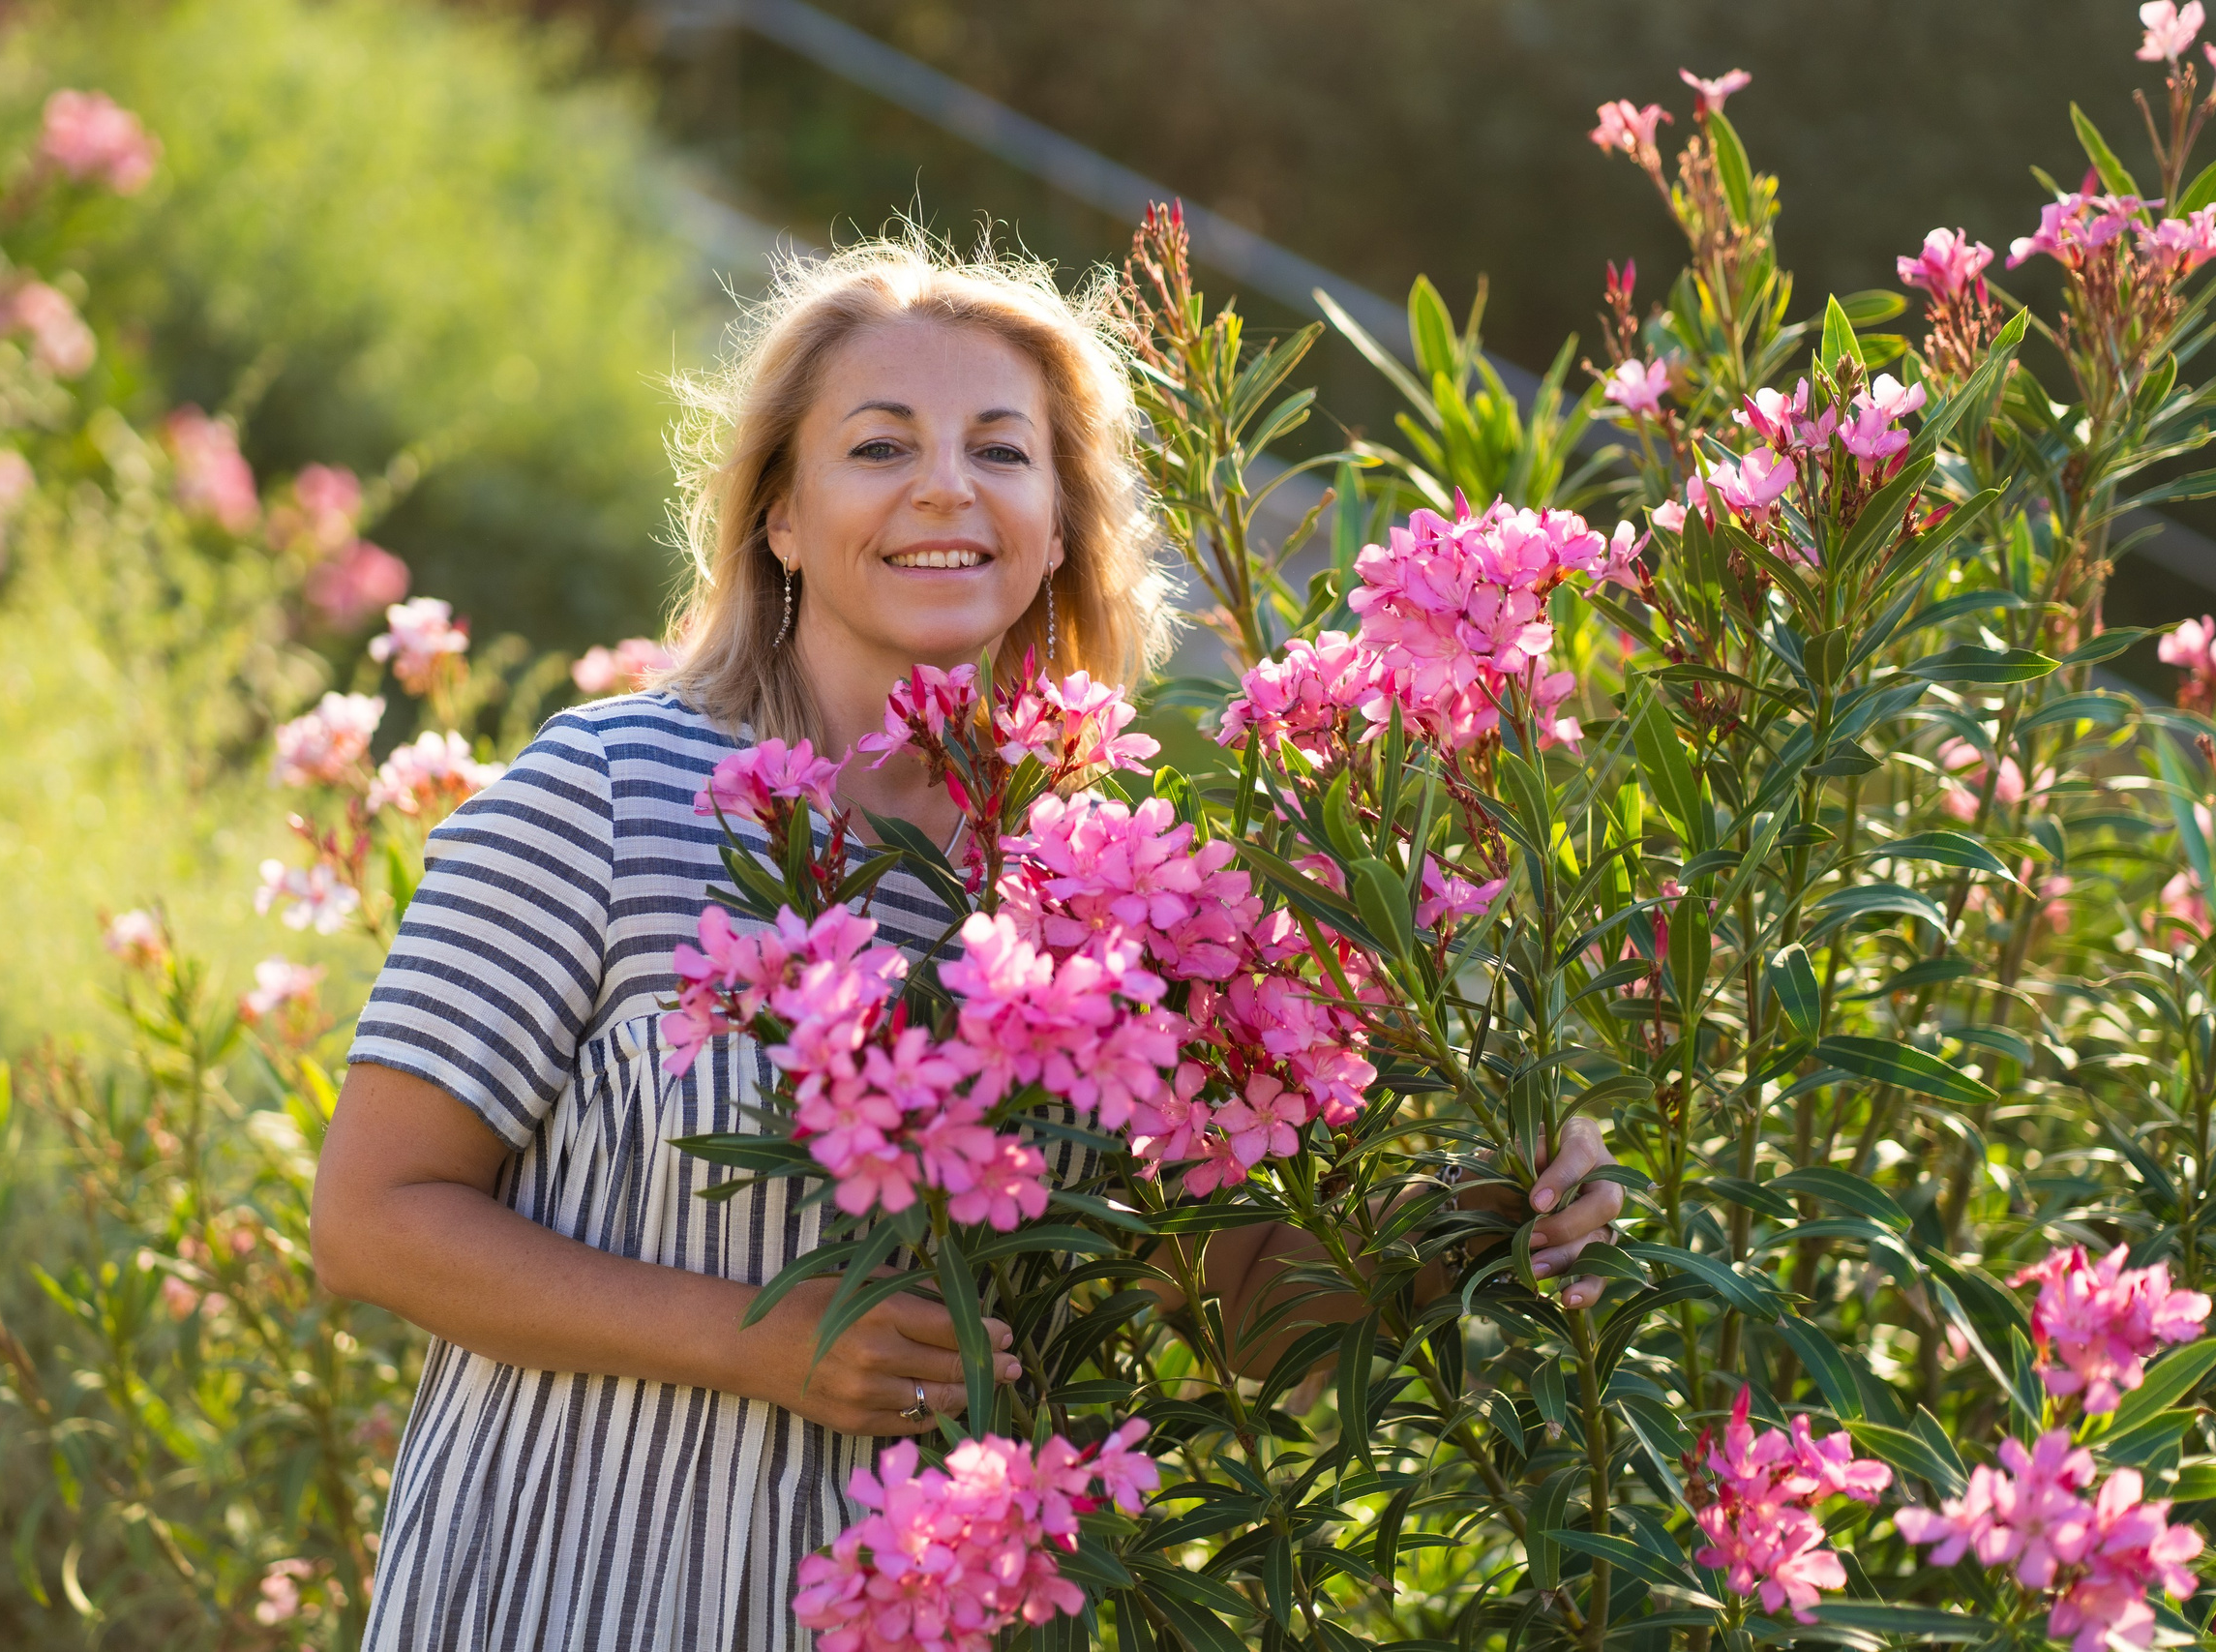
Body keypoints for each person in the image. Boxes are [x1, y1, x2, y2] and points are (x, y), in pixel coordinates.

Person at [308, 236, 1624, 1651]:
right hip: (563, 1606)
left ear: (1057, 530)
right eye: (880, 446)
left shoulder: (1103, 891)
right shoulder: (604, 794)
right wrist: (764, 1339)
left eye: (1002, 451)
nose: (946, 486)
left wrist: (1477, 1214)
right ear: (781, 517)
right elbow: (373, 1220)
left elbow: (1246, 1316)